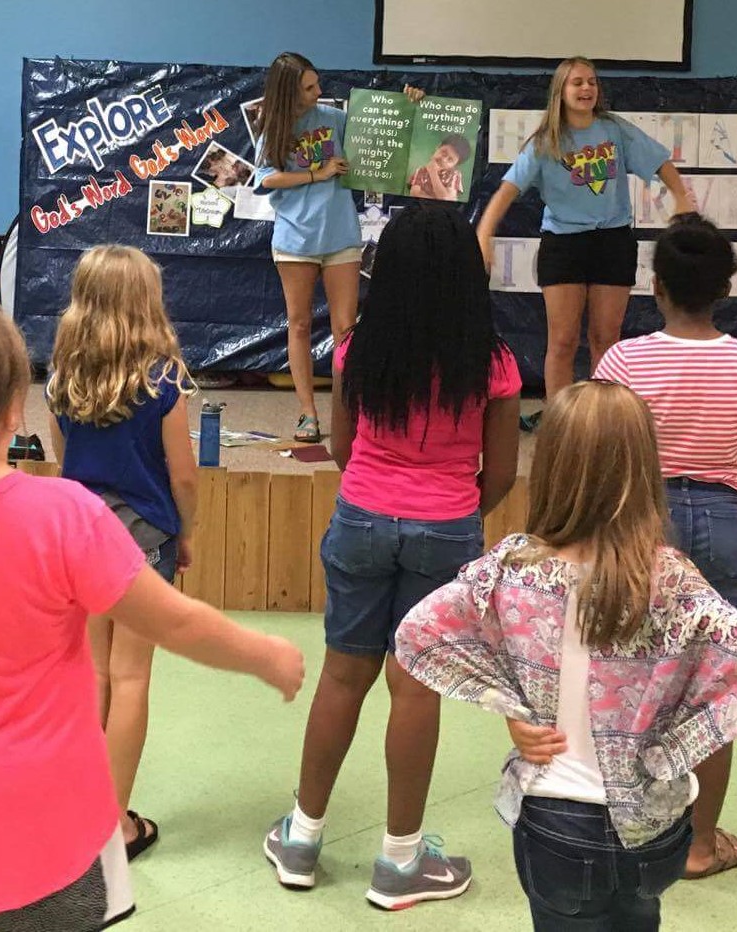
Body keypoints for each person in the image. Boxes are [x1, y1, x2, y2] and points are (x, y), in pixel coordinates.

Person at [0, 300, 304, 932]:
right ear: (14, 410)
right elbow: (174, 622)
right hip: (39, 811)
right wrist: (266, 654)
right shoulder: (61, 516)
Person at [393, 380, 737, 930]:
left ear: (550, 464)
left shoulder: (511, 569)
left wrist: (512, 706)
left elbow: (419, 632)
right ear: (645, 467)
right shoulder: (670, 578)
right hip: (655, 821)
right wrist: (672, 744)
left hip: (555, 814)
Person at [263, 202, 521, 909]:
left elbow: (345, 450)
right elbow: (499, 474)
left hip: (361, 519)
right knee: (415, 690)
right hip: (447, 528)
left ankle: (302, 838)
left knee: (343, 676)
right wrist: (452, 516)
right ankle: (400, 862)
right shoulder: (493, 363)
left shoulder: (355, 349)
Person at [593, 215, 737, 879]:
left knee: (631, 675)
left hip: (644, 523)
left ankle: (625, 829)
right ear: (725, 288)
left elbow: (608, 444)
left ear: (658, 286)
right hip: (725, 518)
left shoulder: (624, 360)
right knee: (712, 690)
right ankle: (699, 845)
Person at [47, 244, 199, 861]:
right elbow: (183, 476)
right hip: (142, 543)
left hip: (79, 537)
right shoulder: (165, 382)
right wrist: (186, 533)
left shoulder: (61, 378)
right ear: (147, 303)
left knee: (94, 675)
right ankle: (114, 825)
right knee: (133, 676)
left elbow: (63, 461)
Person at [475, 56, 694, 430]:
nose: (586, 88)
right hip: (564, 243)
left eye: (591, 81)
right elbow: (507, 190)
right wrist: (484, 233)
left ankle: (602, 421)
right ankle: (560, 420)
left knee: (605, 336)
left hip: (612, 240)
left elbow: (661, 163)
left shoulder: (614, 129)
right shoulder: (546, 142)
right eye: (577, 82)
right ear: (560, 91)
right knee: (562, 339)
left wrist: (682, 199)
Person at [255, 52, 422, 443]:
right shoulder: (273, 130)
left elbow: (379, 136)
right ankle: (307, 414)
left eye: (317, 84)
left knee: (346, 328)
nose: (319, 92)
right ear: (288, 93)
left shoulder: (334, 120)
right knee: (298, 324)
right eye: (309, 88)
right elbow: (265, 180)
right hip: (295, 239)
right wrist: (317, 173)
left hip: (341, 236)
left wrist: (408, 107)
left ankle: (349, 412)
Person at [408, 134, 471, 201]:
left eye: (450, 160)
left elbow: (446, 199)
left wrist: (433, 172)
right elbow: (414, 194)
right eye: (443, 152)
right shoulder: (421, 171)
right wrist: (439, 197)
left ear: (454, 165)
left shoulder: (455, 174)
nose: (443, 159)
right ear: (438, 147)